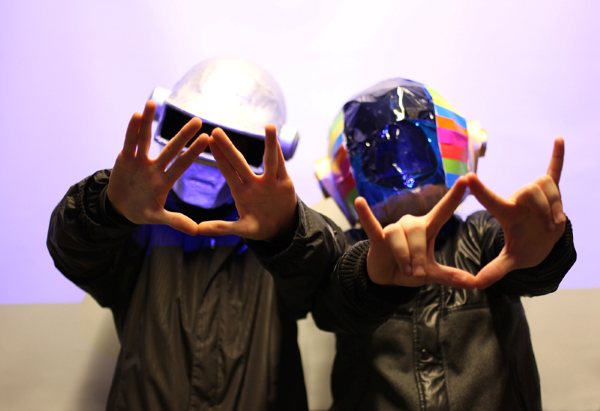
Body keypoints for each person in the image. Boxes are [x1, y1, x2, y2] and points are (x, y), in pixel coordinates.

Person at [199, 78, 577, 410]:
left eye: (415, 148)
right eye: (380, 157)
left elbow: (528, 268)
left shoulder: (480, 237)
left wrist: (542, 250)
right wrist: (295, 235)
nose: (402, 167)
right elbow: (330, 301)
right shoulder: (351, 252)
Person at [46, 57, 344, 411]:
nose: (205, 158)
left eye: (233, 144)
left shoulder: (276, 243)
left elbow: (330, 280)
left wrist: (288, 230)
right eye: (189, 133)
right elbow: (72, 249)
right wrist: (107, 207)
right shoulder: (140, 229)